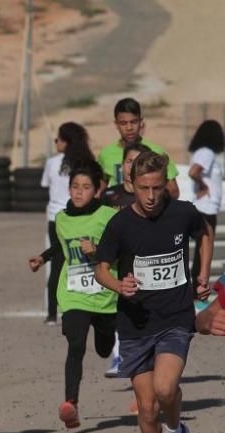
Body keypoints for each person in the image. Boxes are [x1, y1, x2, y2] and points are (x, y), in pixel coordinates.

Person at [94, 151, 213, 433]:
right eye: (143, 188)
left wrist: (202, 274)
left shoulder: (181, 212)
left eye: (157, 188)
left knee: (165, 388)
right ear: (132, 184)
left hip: (176, 317)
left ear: (165, 184)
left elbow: (204, 234)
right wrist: (119, 286)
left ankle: (175, 432)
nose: (149, 196)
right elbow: (102, 268)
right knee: (146, 408)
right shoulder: (121, 224)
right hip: (135, 324)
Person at [28, 161, 117, 428]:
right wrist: (43, 258)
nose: (79, 192)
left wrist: (97, 251)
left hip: (104, 296)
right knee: (75, 344)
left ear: (97, 190)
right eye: (75, 187)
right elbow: (60, 245)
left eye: (86, 187)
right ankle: (71, 404)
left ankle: (106, 341)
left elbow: (122, 249)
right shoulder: (62, 219)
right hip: (74, 294)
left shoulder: (108, 216)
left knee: (104, 349)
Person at [100, 140, 149, 385]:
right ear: (122, 165)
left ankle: (122, 355)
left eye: (138, 161)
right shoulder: (110, 194)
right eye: (129, 160)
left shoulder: (149, 195)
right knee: (111, 310)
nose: (133, 165)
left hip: (138, 261)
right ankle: (116, 348)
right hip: (111, 259)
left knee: (131, 304)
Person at [40, 122, 93, 325]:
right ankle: (82, 307)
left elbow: (46, 186)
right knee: (83, 263)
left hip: (56, 218)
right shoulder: (86, 162)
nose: (56, 143)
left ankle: (52, 314)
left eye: (58, 139)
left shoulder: (53, 163)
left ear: (65, 141)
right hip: (80, 218)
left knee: (57, 264)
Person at [97, 98, 179, 198]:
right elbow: (99, 192)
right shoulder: (106, 154)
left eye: (134, 122)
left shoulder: (157, 151)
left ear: (141, 122)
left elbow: (173, 191)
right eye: (123, 123)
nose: (129, 128)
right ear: (116, 124)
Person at [186, 119, 223, 290]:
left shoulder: (203, 152)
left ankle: (197, 289)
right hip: (205, 207)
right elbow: (193, 171)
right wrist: (203, 185)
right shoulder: (206, 152)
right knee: (204, 251)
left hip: (208, 207)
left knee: (202, 252)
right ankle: (198, 289)